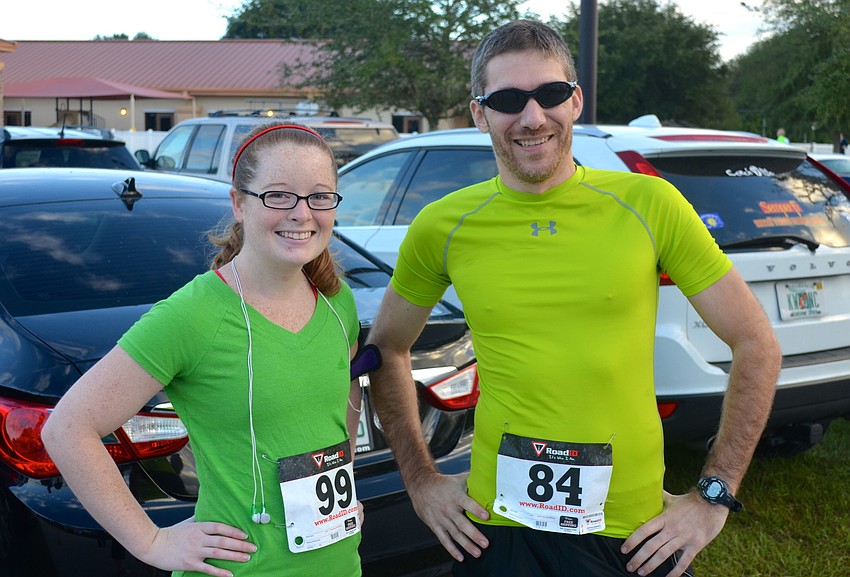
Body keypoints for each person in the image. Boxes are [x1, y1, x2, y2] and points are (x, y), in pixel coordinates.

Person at [366, 19, 780, 577]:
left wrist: (713, 495)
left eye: (550, 93)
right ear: (480, 114)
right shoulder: (443, 223)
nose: (532, 117)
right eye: (508, 99)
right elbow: (387, 349)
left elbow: (755, 343)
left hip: (630, 535)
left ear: (575, 101)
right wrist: (420, 481)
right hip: (494, 529)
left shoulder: (650, 203)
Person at [42, 123, 364, 577]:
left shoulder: (336, 301)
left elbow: (343, 393)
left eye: (319, 196)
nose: (301, 213)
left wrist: (341, 486)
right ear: (238, 204)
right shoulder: (192, 316)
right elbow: (67, 429)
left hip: (340, 565)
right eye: (278, 196)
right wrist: (152, 541)